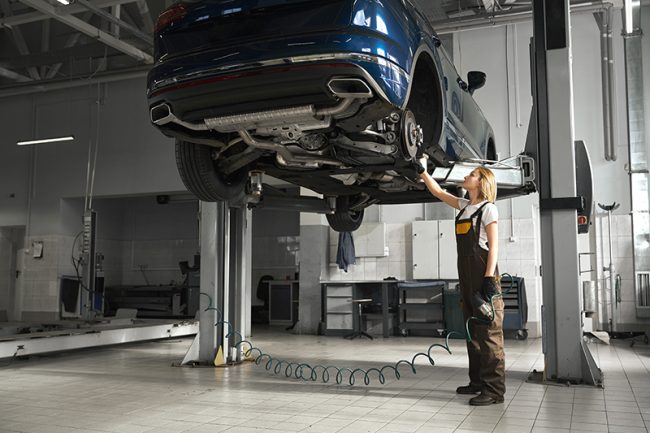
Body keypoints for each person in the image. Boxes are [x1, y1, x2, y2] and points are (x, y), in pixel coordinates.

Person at [413, 159, 505, 406]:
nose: (467, 176)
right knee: (472, 333)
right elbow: (438, 191)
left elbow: (494, 246)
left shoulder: (488, 209)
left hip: (484, 279)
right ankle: (477, 382)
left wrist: (488, 280)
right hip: (466, 278)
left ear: (482, 182)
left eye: (472, 174)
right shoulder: (465, 207)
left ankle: (494, 391)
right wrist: (421, 170)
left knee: (489, 335)